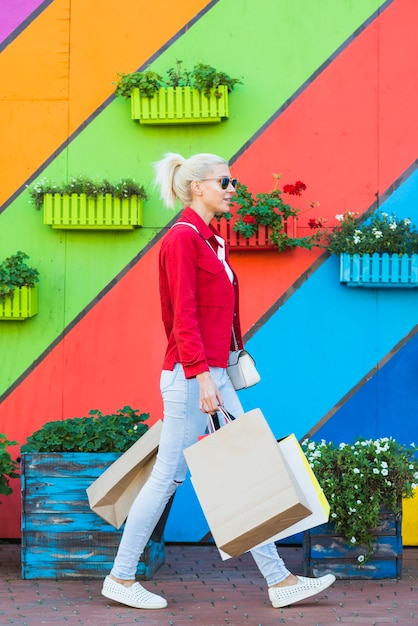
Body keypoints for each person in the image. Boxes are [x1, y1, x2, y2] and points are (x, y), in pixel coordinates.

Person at [101, 152, 335, 610]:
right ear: (197, 188)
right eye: (224, 181)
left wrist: (221, 368)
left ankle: (279, 579)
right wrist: (203, 377)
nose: (232, 188)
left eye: (233, 180)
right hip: (194, 376)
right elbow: (182, 317)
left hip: (212, 372)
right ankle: (121, 576)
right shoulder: (182, 240)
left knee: (247, 466)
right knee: (167, 477)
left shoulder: (211, 242)